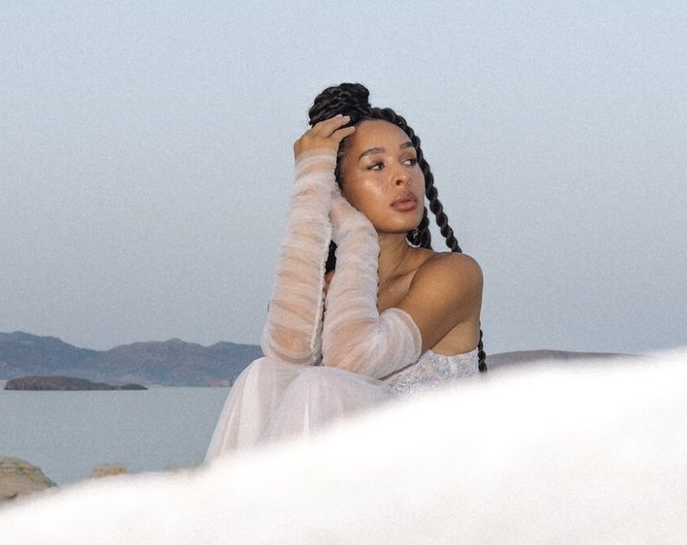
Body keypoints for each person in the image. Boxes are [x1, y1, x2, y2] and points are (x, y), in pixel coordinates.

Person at [206, 83, 485, 459]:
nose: (403, 178)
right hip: (349, 478)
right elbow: (286, 354)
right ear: (339, 191)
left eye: (409, 160)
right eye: (376, 166)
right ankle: (238, 515)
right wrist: (311, 187)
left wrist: (357, 240)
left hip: (428, 476)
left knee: (321, 384)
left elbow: (351, 361)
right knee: (262, 375)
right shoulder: (332, 285)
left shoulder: (452, 274)